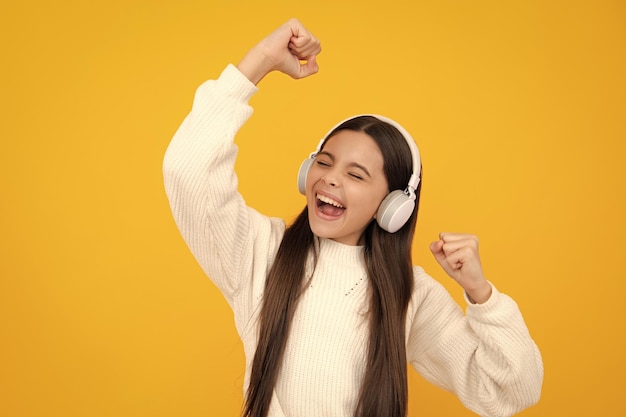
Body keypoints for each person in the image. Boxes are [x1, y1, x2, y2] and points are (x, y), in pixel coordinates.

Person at [163, 18, 543, 417]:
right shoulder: (260, 252)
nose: (330, 178)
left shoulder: (408, 292)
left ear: (392, 206)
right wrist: (260, 62)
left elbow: (508, 391)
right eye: (323, 162)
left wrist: (481, 295)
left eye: (356, 175)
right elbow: (188, 169)